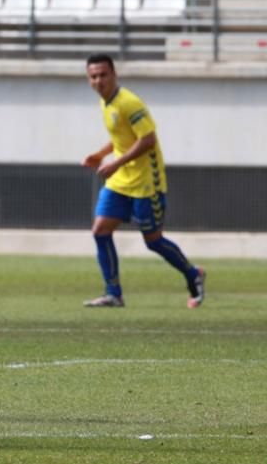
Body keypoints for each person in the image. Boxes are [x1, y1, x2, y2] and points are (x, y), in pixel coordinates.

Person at [81, 54, 206, 308]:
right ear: (88, 80)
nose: (99, 80)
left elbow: (147, 139)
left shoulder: (129, 103)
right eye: (94, 76)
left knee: (153, 240)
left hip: (147, 182)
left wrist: (115, 163)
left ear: (114, 75)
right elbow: (122, 138)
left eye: (103, 75)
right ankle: (113, 293)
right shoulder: (106, 104)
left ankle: (194, 275)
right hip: (121, 181)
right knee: (100, 230)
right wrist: (101, 155)